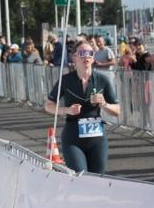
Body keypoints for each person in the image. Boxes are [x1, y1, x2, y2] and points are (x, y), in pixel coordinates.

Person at [44, 41, 120, 174]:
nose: (86, 57)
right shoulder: (66, 80)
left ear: (93, 57)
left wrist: (104, 104)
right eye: (82, 53)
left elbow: (117, 111)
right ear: (74, 57)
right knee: (80, 177)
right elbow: (48, 105)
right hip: (73, 138)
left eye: (90, 54)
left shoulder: (103, 80)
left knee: (98, 178)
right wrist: (66, 110)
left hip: (97, 138)